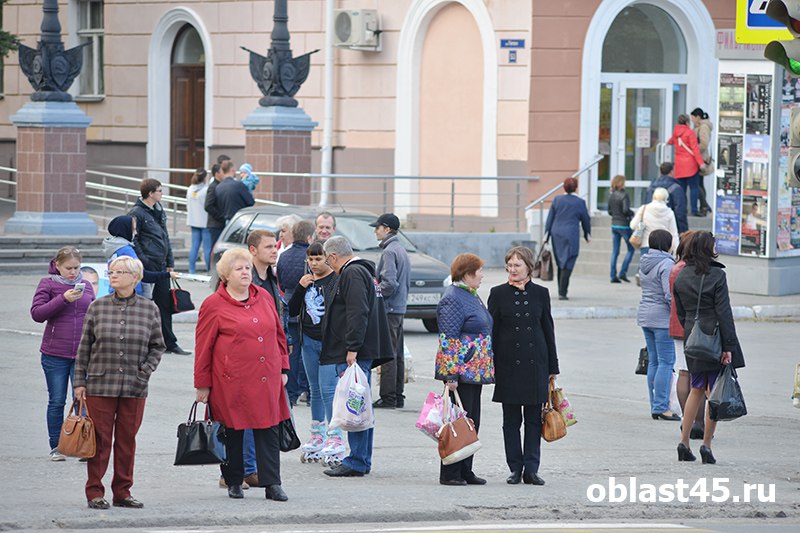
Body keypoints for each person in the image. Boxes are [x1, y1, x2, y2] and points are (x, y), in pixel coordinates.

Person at [195, 248, 290, 502]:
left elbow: (279, 335)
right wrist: (202, 384)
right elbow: (204, 347)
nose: (246, 272)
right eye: (239, 269)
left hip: (266, 377)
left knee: (269, 430)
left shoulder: (265, 297)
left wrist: (283, 367)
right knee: (233, 431)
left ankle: (273, 484)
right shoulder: (214, 305)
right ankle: (234, 480)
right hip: (231, 380)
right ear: (226, 275)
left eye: (247, 267)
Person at [74, 256, 165, 510]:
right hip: (101, 385)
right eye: (111, 271)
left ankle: (122, 492)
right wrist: (80, 382)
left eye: (119, 272)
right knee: (100, 440)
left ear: (134, 278)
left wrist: (144, 371)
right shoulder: (97, 307)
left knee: (127, 440)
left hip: (135, 387)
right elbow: (84, 348)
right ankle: (95, 491)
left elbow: (158, 346)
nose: (113, 275)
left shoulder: (149, 309)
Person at [319, 236, 393, 477]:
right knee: (361, 403)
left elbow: (357, 312)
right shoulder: (364, 272)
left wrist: (352, 347)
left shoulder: (351, 274)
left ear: (332, 256)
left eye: (328, 260)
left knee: (356, 405)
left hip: (357, 351)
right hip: (364, 348)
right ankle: (361, 458)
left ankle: (357, 460)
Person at [673, 232, 745, 464]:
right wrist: (729, 346)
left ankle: (684, 442)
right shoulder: (717, 275)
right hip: (713, 338)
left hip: (692, 337)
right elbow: (724, 313)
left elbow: (681, 311)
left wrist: (690, 329)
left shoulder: (681, 275)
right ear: (708, 248)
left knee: (696, 388)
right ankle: (706, 445)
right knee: (712, 393)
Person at [489, 246, 558, 486]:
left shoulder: (541, 293)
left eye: (517, 265)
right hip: (507, 365)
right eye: (509, 265)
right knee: (510, 421)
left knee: (533, 420)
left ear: (529, 267)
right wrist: (491, 365)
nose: (512, 269)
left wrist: (553, 367)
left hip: (535, 365)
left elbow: (548, 330)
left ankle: (531, 468)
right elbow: (492, 332)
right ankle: (514, 468)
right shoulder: (497, 294)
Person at [30, 246, 96, 461]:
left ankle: (83, 446)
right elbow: (37, 314)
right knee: (57, 401)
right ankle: (56, 446)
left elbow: (93, 314)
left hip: (82, 353)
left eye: (77, 268)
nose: (73, 272)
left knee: (82, 399)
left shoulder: (85, 285)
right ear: (57, 265)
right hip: (54, 353)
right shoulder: (47, 284)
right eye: (68, 268)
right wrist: (63, 299)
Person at [435, 253, 494, 486]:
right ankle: (450, 472)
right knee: (457, 423)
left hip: (474, 372)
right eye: (479, 271)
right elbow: (448, 339)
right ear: (467, 273)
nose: (482, 275)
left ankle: (466, 470)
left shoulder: (470, 294)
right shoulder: (453, 298)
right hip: (460, 372)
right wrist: (451, 374)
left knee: (470, 422)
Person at [287, 242, 342, 465]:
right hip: (308, 341)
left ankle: (335, 437)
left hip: (329, 343)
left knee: (329, 390)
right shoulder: (307, 282)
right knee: (315, 390)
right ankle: (317, 434)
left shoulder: (336, 280)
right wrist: (300, 287)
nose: (314, 264)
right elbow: (291, 309)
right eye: (310, 259)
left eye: (318, 259)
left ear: (328, 258)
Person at [129, 178, 189, 355]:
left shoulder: (159, 210)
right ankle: (147, 342)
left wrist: (170, 261)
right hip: (148, 266)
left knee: (164, 304)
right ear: (150, 193)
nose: (162, 194)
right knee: (146, 305)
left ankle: (169, 343)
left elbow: (165, 238)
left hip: (162, 265)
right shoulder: (136, 212)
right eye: (160, 191)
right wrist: (144, 261)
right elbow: (134, 239)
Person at [369, 213, 411, 409]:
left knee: (388, 352)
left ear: (386, 229)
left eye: (377, 227)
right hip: (399, 307)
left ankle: (388, 397)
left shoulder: (388, 252)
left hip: (390, 308)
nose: (376, 231)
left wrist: (375, 295)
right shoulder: (400, 249)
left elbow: (389, 283)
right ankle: (398, 395)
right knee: (398, 353)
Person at [636, 229, 679, 421]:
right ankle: (661, 406)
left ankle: (655, 404)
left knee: (653, 361)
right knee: (666, 362)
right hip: (661, 318)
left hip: (645, 315)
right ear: (667, 244)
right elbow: (668, 294)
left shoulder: (645, 260)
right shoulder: (666, 263)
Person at [669, 231, 705, 440]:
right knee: (697, 376)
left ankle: (687, 420)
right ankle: (697, 422)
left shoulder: (675, 268)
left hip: (676, 324)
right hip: (694, 327)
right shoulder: (691, 270)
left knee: (684, 372)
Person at [277, 219, 315, 406]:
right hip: (306, 306)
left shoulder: (283, 255)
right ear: (309, 236)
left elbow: (282, 283)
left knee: (292, 352)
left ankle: (291, 394)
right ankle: (308, 391)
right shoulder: (310, 257)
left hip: (289, 304)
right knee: (307, 352)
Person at [102, 215, 179, 295]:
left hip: (117, 292)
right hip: (129, 294)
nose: (136, 233)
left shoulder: (114, 247)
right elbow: (142, 275)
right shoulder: (126, 250)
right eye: (134, 229)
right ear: (126, 230)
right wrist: (168, 274)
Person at [544, 177, 591, 300]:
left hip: (556, 233)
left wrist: (546, 235)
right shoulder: (580, 202)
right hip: (571, 234)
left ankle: (561, 290)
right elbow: (586, 219)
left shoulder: (557, 200)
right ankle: (562, 292)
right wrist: (587, 234)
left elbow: (550, 219)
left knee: (560, 260)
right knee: (569, 259)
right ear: (575, 187)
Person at [667, 114, 705, 216]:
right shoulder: (689, 132)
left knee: (681, 190)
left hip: (679, 166)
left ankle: (681, 210)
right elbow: (695, 149)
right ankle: (694, 210)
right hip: (690, 166)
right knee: (694, 188)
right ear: (687, 122)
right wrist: (701, 163)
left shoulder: (676, 133)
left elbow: (670, 141)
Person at [629, 188, 679, 256]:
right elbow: (674, 234)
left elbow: (633, 225)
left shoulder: (644, 208)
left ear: (654, 196)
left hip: (646, 245)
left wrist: (641, 226)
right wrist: (675, 252)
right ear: (666, 198)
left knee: (646, 266)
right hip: (663, 247)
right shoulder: (669, 212)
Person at [645, 162, 689, 235]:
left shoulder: (651, 187)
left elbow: (647, 205)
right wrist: (683, 229)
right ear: (672, 171)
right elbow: (680, 210)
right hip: (669, 227)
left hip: (651, 228)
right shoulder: (676, 188)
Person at [607, 175, 635, 284]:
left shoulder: (611, 195)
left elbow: (609, 211)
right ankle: (623, 272)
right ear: (621, 183)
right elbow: (625, 210)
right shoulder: (624, 195)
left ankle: (613, 275)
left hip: (614, 225)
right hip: (624, 225)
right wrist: (632, 213)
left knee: (615, 251)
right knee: (631, 249)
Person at [186, 168, 212, 274]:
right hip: (205, 221)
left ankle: (191, 270)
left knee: (194, 246)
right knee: (207, 248)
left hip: (193, 221)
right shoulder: (206, 190)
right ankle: (209, 271)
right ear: (205, 177)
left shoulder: (190, 189)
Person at [690, 108, 714, 216]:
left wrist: (693, 149)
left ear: (698, 117)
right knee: (699, 183)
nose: (692, 120)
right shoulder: (699, 127)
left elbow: (704, 144)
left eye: (693, 118)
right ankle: (705, 205)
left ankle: (704, 205)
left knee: (697, 183)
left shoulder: (703, 127)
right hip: (698, 158)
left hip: (700, 159)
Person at [204, 163, 226, 247]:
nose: (224, 174)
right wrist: (221, 216)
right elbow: (208, 205)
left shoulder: (220, 185)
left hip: (219, 223)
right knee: (215, 248)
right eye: (222, 172)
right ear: (217, 173)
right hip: (215, 224)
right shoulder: (213, 187)